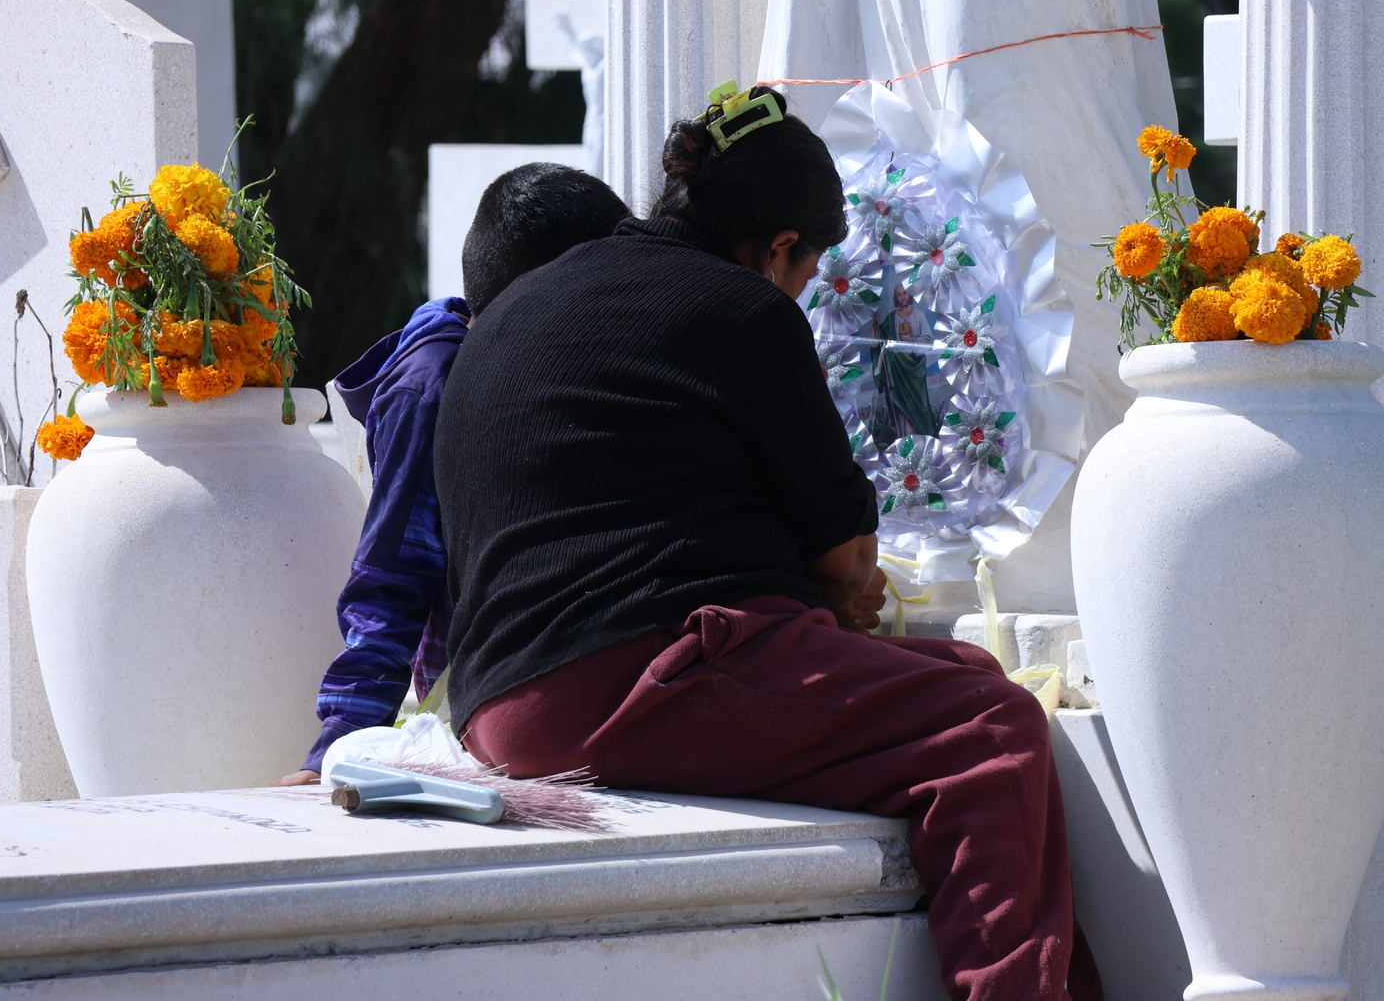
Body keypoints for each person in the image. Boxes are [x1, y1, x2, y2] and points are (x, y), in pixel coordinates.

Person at [433, 85, 1099, 1001]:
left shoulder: (517, 308)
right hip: (627, 683)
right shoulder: (742, 311)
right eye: (808, 266)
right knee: (991, 730)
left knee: (971, 683)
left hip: (496, 708)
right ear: (782, 245)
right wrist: (832, 587)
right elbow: (850, 566)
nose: (801, 288)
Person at [277, 163, 631, 786]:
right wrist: (339, 741)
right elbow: (393, 573)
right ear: (551, 289)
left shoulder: (542, 360)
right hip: (482, 701)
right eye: (600, 283)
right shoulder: (434, 387)